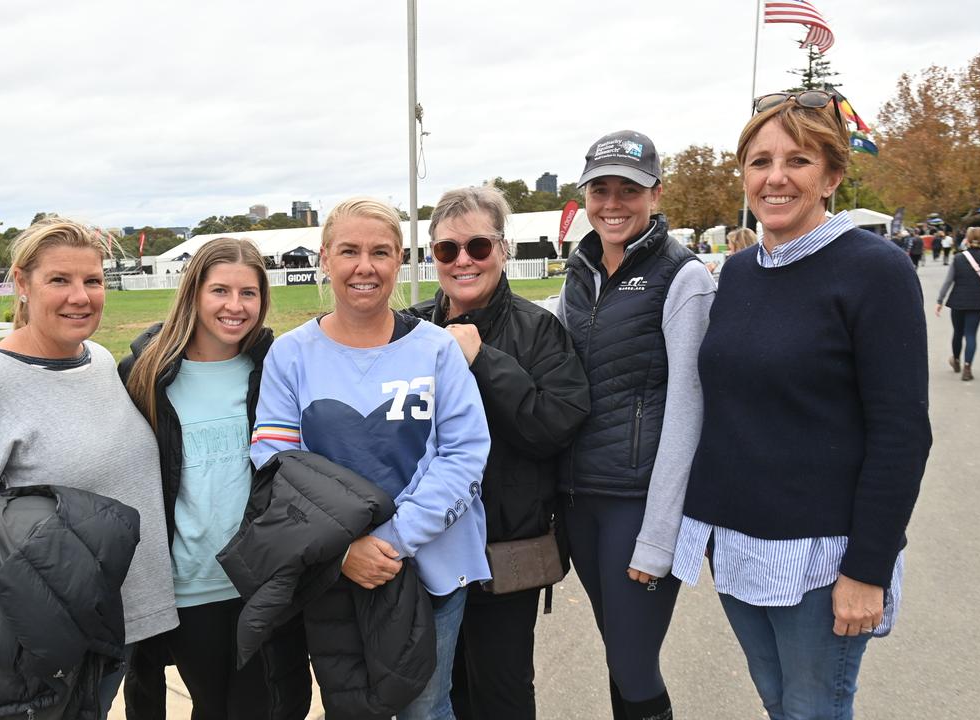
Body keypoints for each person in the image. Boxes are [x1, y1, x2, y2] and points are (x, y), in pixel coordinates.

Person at [673, 90, 931, 720]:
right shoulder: (736, 273)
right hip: (738, 545)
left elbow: (901, 434)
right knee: (779, 703)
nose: (776, 177)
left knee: (814, 710)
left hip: (822, 557)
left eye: (798, 161)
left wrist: (867, 568)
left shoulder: (875, 270)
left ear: (832, 176)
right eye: (759, 162)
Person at [0, 218, 179, 716]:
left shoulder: (93, 359)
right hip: (44, 648)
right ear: (22, 284)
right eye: (59, 280)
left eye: (92, 281)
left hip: (111, 625)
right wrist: (61, 576)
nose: (80, 296)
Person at [251, 197, 491, 720]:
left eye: (380, 252)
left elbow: (465, 453)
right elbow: (275, 461)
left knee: (426, 708)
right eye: (349, 251)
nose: (365, 266)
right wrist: (342, 551)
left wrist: (390, 540)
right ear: (324, 259)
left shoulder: (436, 349)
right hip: (333, 569)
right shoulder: (291, 354)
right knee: (351, 710)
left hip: (432, 563)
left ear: (400, 260)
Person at [406, 186, 590, 719]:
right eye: (447, 250)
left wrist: (482, 359)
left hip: (501, 554)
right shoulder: (410, 329)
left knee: (502, 694)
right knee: (435, 693)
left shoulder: (540, 331)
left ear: (503, 250)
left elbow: (554, 425)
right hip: (426, 550)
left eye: (478, 247)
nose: (463, 260)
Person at [556, 130, 716, 720]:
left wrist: (660, 531)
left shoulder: (684, 276)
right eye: (601, 189)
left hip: (637, 502)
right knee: (617, 656)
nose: (613, 203)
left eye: (630, 188)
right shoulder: (577, 273)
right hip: (581, 500)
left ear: (656, 194)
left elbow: (689, 408)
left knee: (633, 663)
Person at [118, 237, 311, 719]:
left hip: (262, 581)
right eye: (220, 291)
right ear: (194, 294)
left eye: (249, 293)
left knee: (273, 705)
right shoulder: (146, 374)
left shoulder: (273, 369)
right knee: (217, 706)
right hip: (190, 586)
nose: (235, 306)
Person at [936, 226, 980, 381]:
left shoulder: (958, 258)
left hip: (958, 300)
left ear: (967, 239)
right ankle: (968, 368)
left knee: (958, 332)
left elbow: (948, 281)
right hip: (978, 301)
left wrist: (940, 300)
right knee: (971, 334)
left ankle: (956, 360)